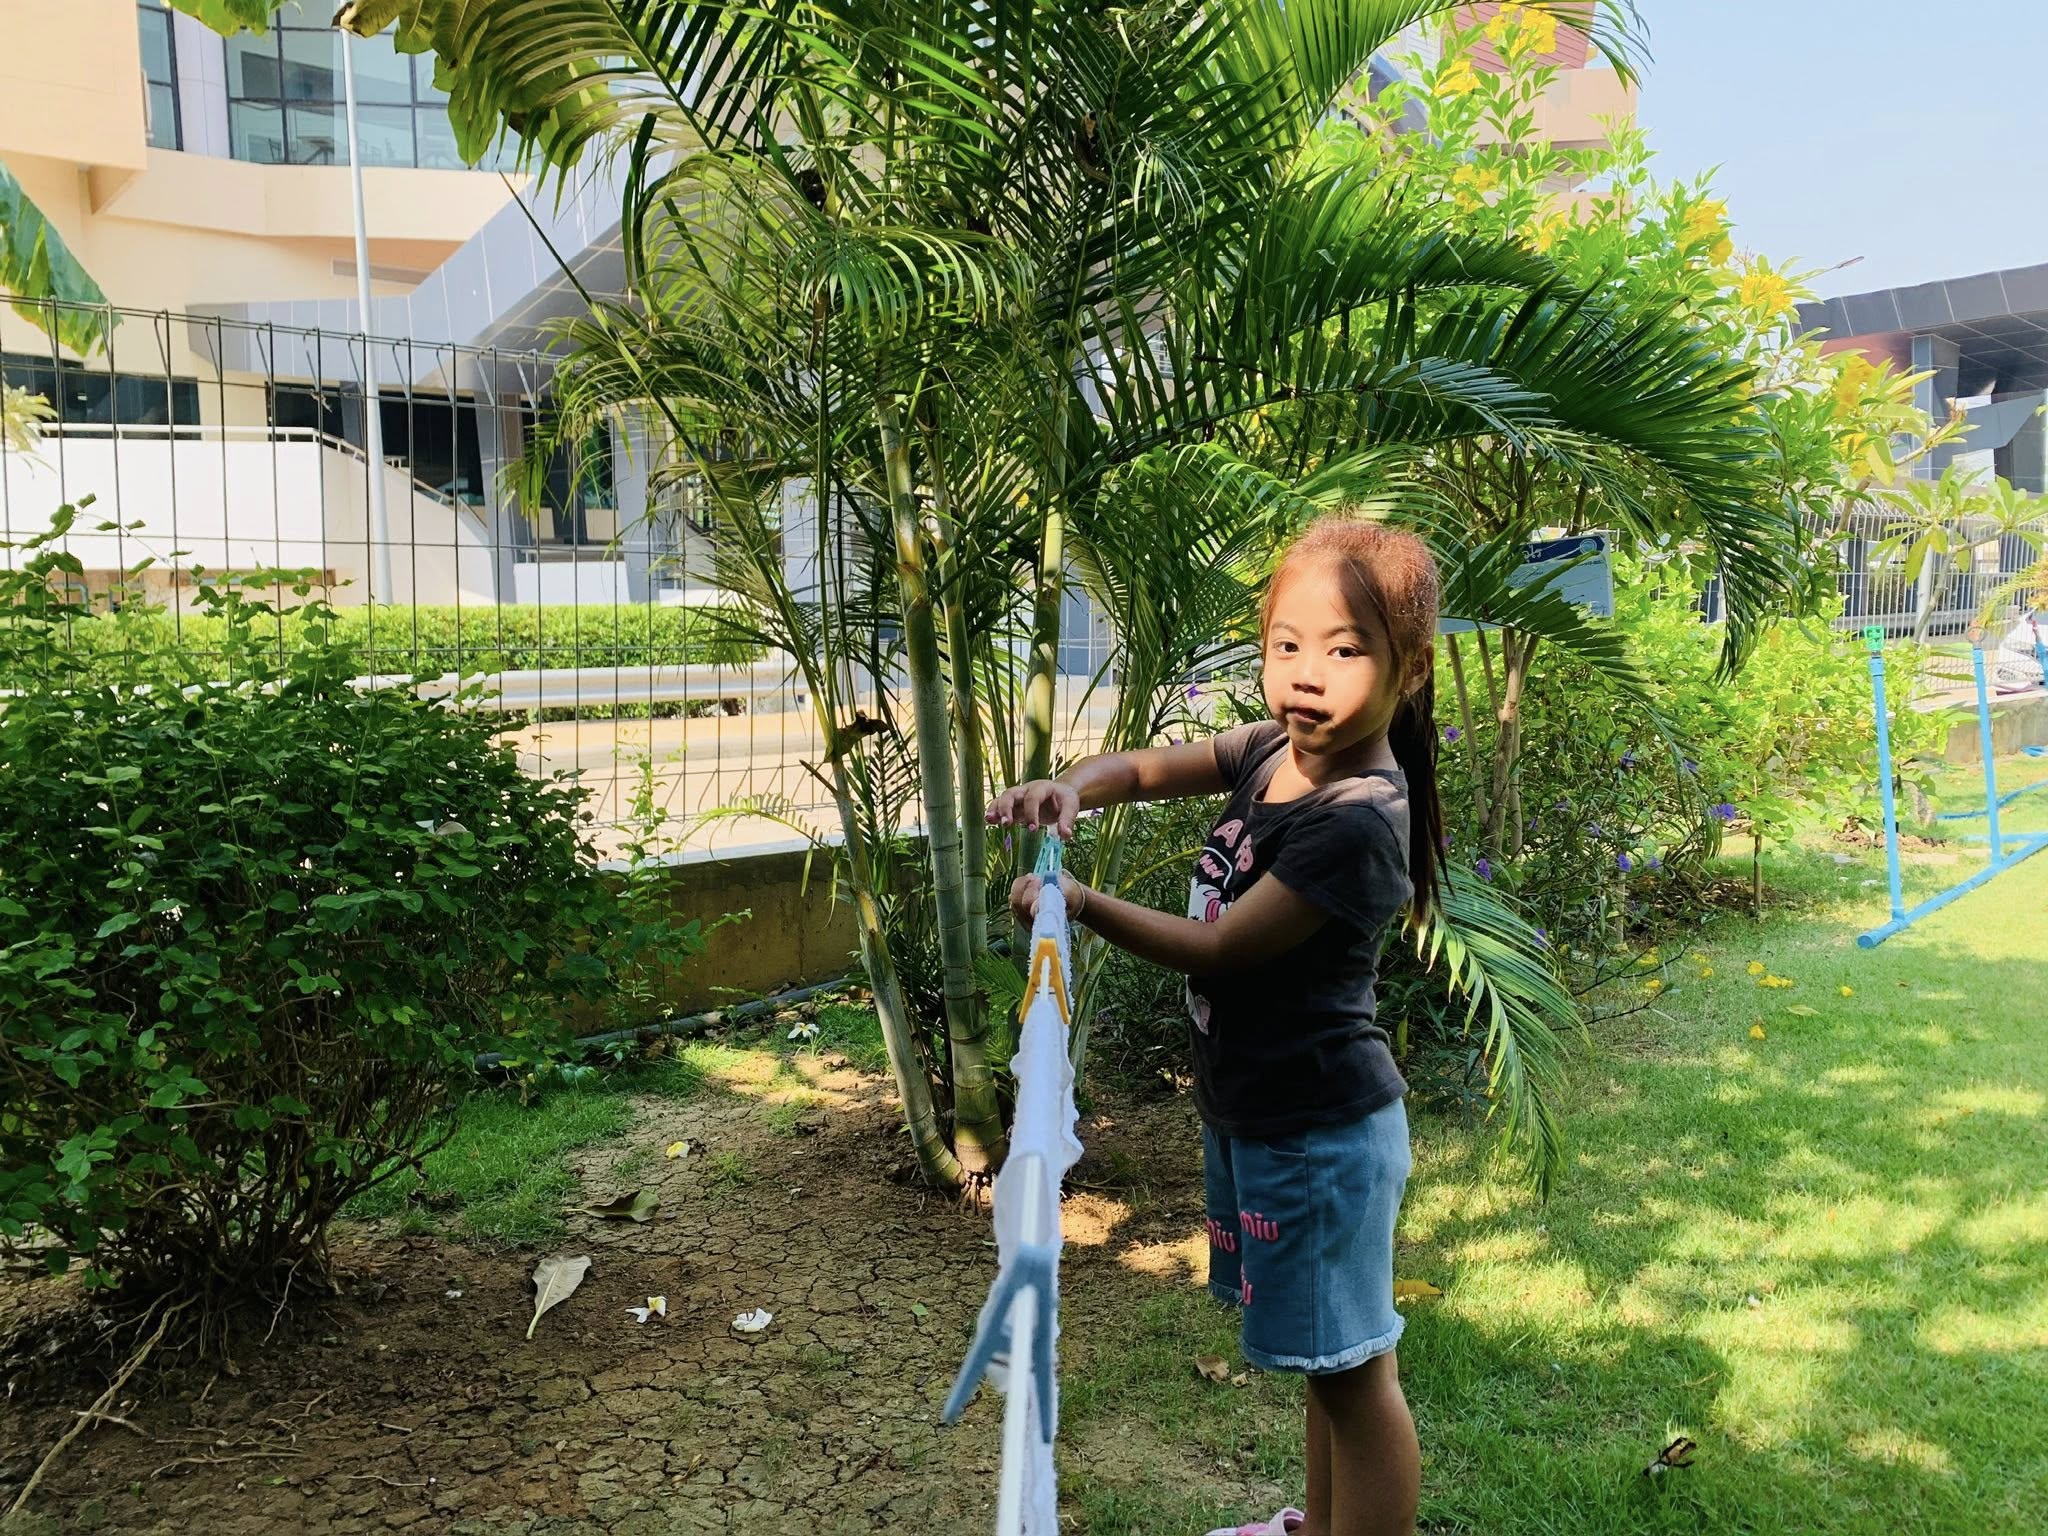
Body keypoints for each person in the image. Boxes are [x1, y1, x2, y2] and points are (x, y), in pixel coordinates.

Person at [989, 517, 1445, 1536]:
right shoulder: (1272, 751)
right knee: (1328, 1365)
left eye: (1345, 650)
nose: (1306, 674)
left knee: (1354, 1379)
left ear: (1408, 670)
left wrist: (1076, 903)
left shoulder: (1356, 817)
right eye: (1286, 644)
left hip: (1319, 1133)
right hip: (1263, 1117)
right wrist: (1072, 788)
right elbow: (1146, 768)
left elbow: (1222, 947)